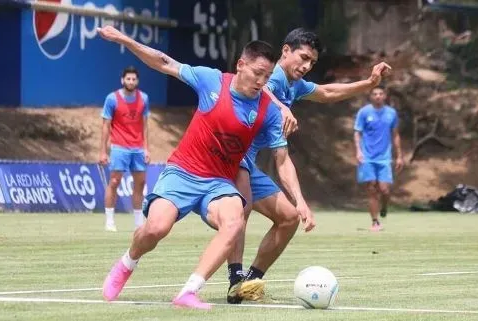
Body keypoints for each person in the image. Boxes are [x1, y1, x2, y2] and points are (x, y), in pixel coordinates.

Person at [96, 25, 292, 310]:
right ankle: (127, 263)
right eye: (257, 73)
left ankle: (189, 291)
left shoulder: (268, 111)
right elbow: (164, 62)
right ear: (241, 65)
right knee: (155, 229)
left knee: (234, 222)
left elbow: (282, 159)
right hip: (183, 172)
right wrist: (125, 39)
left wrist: (298, 200)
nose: (261, 81)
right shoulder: (211, 81)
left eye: (267, 76)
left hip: (219, 183)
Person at [226, 28, 392, 304]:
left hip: (249, 160)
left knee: (289, 218)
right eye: (302, 58)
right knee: (241, 208)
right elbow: (262, 88)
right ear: (286, 51)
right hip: (229, 155)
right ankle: (235, 278)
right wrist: (281, 106)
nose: (306, 66)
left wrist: (368, 83)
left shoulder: (294, 84)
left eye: (312, 63)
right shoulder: (273, 76)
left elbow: (327, 92)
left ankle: (249, 281)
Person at [100, 66, 150, 231]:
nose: (131, 81)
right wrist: (102, 151)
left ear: (137, 81)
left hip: (137, 149)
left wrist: (146, 148)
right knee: (114, 181)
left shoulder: (143, 98)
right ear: (122, 80)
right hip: (119, 147)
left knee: (140, 184)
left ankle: (138, 222)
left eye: (134, 79)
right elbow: (106, 126)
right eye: (128, 79)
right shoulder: (112, 99)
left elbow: (145, 126)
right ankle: (109, 220)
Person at [354, 86, 403, 232]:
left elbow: (395, 134)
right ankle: (375, 222)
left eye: (381, 94)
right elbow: (357, 133)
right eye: (375, 94)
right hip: (367, 157)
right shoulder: (364, 112)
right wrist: (358, 151)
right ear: (371, 96)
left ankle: (385, 207)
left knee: (384, 189)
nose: (378, 96)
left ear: (385, 96)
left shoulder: (391, 113)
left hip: (384, 158)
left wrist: (400, 156)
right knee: (371, 188)